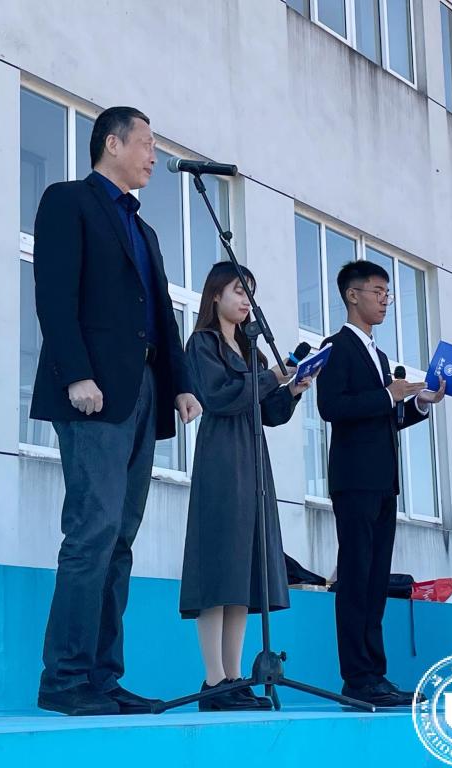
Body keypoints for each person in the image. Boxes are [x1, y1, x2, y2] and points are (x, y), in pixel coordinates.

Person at [31, 106, 203, 716]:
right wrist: (76, 372)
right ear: (112, 143)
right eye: (147, 143)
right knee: (93, 532)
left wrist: (180, 384)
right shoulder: (68, 201)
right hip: (94, 392)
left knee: (121, 540)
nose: (155, 155)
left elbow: (161, 315)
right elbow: (54, 294)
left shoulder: (143, 229)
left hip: (144, 392)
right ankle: (65, 680)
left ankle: (104, 678)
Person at [180, 262, 314, 711]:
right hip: (222, 458)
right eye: (239, 290)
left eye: (250, 292)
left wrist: (292, 389)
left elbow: (269, 412)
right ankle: (213, 681)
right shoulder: (203, 343)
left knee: (242, 572)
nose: (245, 300)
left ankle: (234, 678)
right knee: (218, 568)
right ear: (215, 294)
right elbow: (219, 397)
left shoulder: (251, 349)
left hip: (254, 461)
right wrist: (273, 377)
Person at [317, 260, 446, 708]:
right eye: (378, 291)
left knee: (375, 580)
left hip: (383, 481)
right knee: (356, 576)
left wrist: (420, 404)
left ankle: (375, 673)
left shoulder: (381, 356)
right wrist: (389, 394)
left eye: (388, 293)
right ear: (352, 295)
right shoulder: (337, 347)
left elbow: (385, 418)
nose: (385, 301)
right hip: (354, 479)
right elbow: (332, 407)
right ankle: (357, 677)